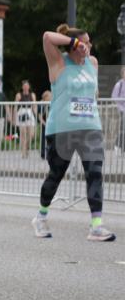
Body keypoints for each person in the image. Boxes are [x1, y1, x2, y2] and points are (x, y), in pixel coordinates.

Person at [31, 25, 115, 241]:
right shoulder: (58, 63)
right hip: (62, 129)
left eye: (89, 42)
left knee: (95, 173)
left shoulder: (92, 64)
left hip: (90, 128)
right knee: (56, 175)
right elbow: (47, 36)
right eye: (83, 42)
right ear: (73, 46)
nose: (88, 46)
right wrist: (71, 42)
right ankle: (41, 217)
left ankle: (96, 225)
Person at [14, 80, 38, 158]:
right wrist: (14, 117)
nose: (25, 87)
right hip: (22, 112)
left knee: (31, 134)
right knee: (23, 134)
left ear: (29, 87)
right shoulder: (19, 95)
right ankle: (23, 153)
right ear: (22, 87)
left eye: (27, 86)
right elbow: (15, 106)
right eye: (24, 86)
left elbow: (34, 106)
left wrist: (36, 115)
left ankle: (27, 147)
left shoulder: (32, 95)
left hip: (29, 113)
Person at [112, 66, 125, 153]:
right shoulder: (119, 84)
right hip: (122, 110)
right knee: (122, 128)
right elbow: (114, 97)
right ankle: (117, 145)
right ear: (122, 74)